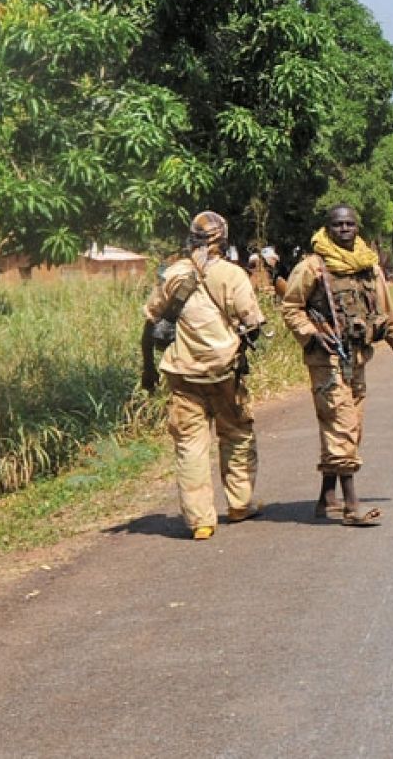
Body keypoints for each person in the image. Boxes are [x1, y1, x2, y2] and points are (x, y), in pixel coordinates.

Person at [281, 205, 393, 525]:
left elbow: (389, 315)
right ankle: (351, 506)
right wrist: (311, 334)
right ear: (327, 228)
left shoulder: (369, 267)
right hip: (326, 360)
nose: (344, 229)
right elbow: (291, 308)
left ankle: (326, 498)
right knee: (341, 424)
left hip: (357, 359)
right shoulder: (312, 267)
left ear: (357, 228)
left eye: (349, 224)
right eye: (337, 224)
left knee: (350, 427)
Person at [140, 211, 266, 541]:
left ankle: (200, 522)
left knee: (190, 446)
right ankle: (239, 504)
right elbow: (252, 322)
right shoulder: (232, 275)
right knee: (237, 434)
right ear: (223, 240)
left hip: (182, 374)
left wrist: (148, 368)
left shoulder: (173, 274)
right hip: (225, 373)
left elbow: (150, 322)